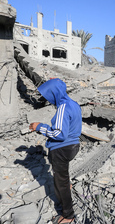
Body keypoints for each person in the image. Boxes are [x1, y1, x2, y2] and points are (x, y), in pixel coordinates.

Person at [29, 78, 82, 224]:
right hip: (73, 146)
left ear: (54, 94)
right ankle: (67, 186)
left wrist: (40, 126)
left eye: (48, 95)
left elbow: (59, 134)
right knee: (63, 177)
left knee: (60, 183)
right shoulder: (74, 104)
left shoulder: (63, 108)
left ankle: (68, 215)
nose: (48, 99)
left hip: (61, 149)